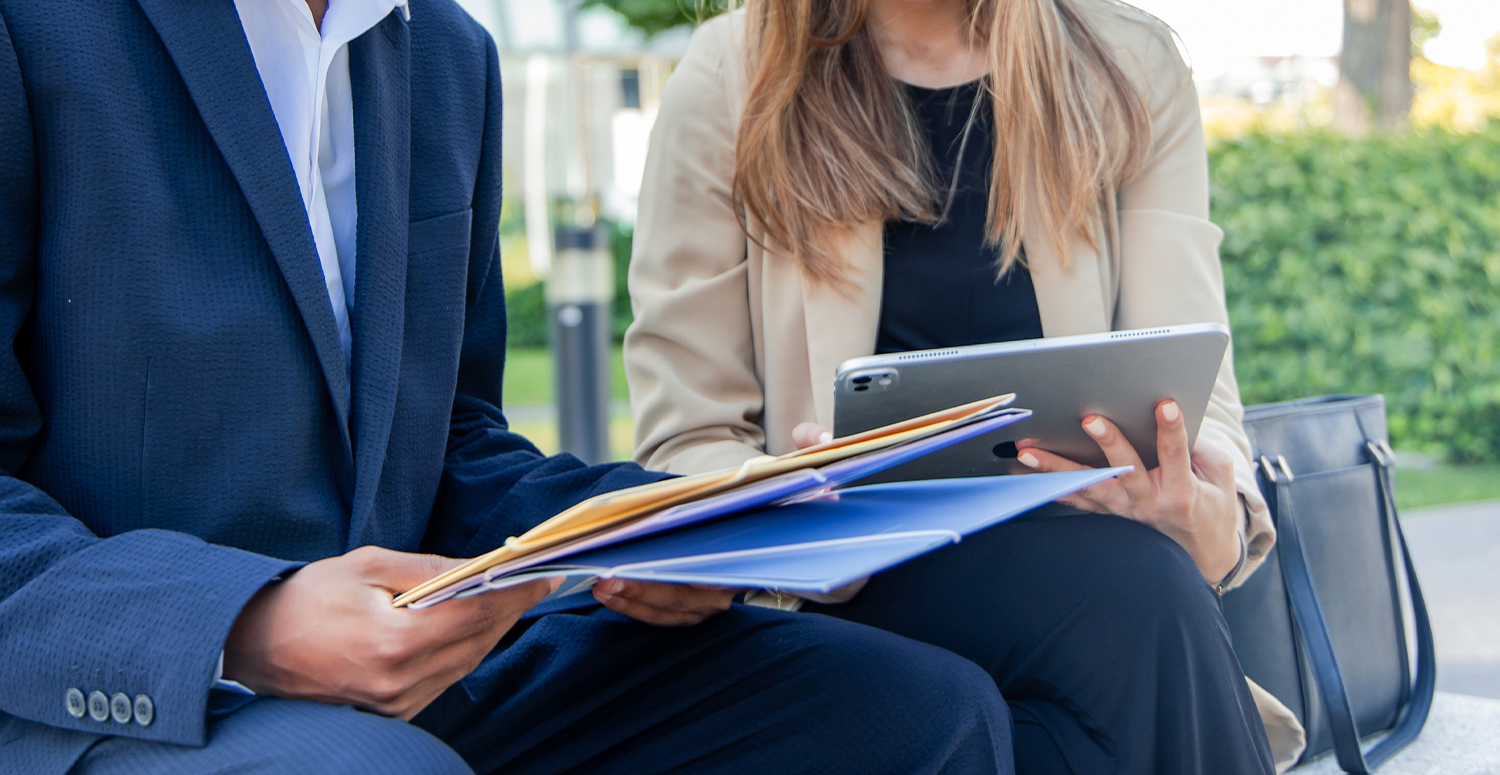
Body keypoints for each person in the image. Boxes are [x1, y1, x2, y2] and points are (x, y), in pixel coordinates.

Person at [0, 0, 1017, 772]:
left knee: (916, 712)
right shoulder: (34, 29)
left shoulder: (447, 55)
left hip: (425, 671)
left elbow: (451, 441)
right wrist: (245, 624)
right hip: (118, 681)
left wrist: (681, 526)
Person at [624, 0, 1307, 771]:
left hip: (1089, 575)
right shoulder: (732, 75)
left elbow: (1190, 391)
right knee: (1139, 600)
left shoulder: (1130, 63)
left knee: (1100, 657)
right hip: (847, 593)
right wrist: (796, 510)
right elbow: (689, 436)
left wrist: (1204, 506)